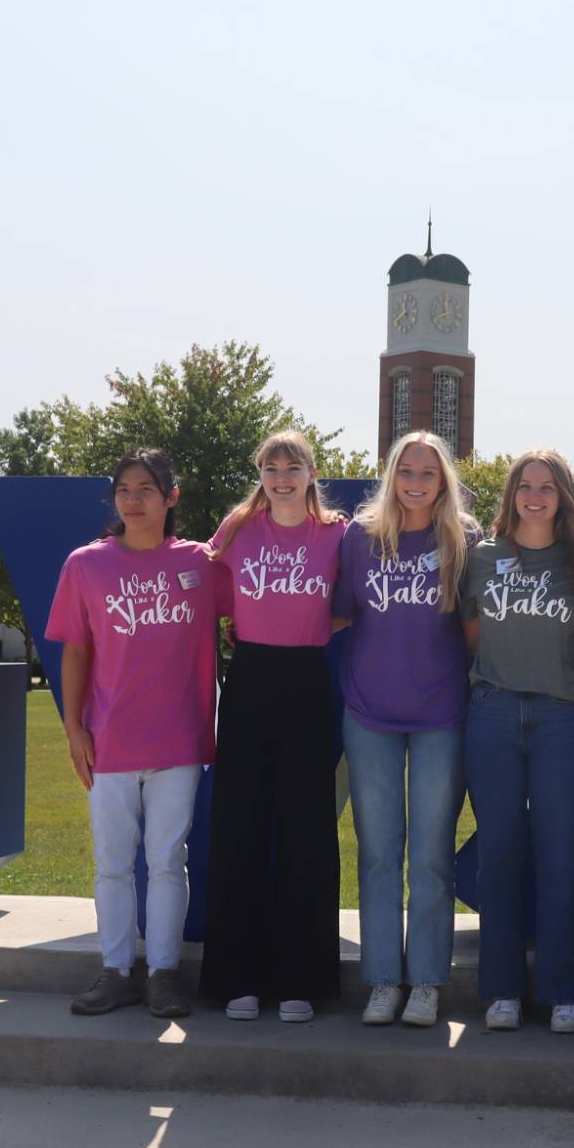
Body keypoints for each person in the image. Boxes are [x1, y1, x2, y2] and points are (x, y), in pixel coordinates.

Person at [45, 448, 228, 1019]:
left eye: (146, 489)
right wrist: (74, 729)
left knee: (169, 860)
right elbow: (76, 651)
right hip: (110, 742)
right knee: (113, 864)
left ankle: (165, 975)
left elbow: (261, 601)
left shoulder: (202, 563)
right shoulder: (85, 565)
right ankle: (117, 971)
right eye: (124, 489)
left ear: (171, 498)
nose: (133, 499)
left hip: (179, 741)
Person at [200, 430, 349, 1023]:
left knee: (306, 830)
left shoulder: (338, 533)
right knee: (239, 825)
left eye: (293, 466)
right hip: (251, 679)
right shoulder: (238, 530)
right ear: (260, 473)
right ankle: (237, 977)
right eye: (271, 466)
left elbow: (354, 603)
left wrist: (310, 625)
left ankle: (300, 981)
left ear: (313, 472)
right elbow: (211, 595)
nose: (282, 476)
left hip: (308, 681)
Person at [461, 448, 574, 1033]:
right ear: (511, 494)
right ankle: (501, 990)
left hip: (559, 719)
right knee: (498, 853)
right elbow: (472, 637)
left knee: (561, 851)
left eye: (547, 487)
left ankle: (563, 990)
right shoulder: (481, 559)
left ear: (563, 498)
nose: (535, 496)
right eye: (525, 485)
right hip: (492, 714)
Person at [332, 431, 477, 1028]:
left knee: (432, 854)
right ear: (391, 475)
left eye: (429, 472)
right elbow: (339, 610)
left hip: (441, 714)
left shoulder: (463, 540)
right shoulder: (360, 539)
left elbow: (476, 626)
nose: (416, 481)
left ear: (444, 480)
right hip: (369, 713)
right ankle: (384, 979)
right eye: (406, 470)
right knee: (378, 852)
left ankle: (427, 982)